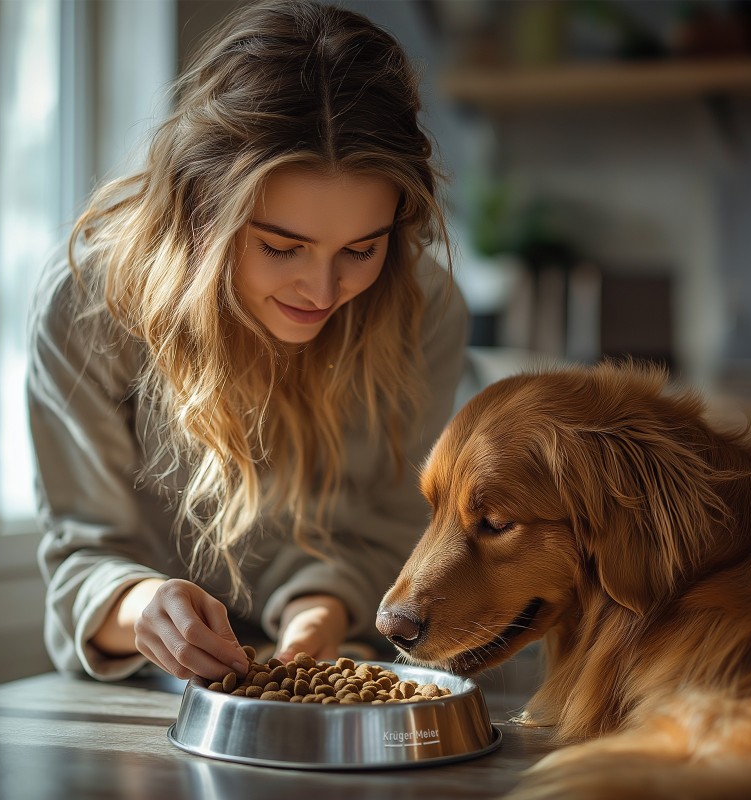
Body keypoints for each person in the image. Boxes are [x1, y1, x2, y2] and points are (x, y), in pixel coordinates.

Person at [27, 0, 467, 682]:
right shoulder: (88, 303)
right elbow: (82, 554)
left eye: (361, 248)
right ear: (201, 209)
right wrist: (141, 606)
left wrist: (321, 611)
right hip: (140, 692)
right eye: (280, 247)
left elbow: (391, 528)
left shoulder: (423, 306)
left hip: (342, 651)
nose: (321, 292)